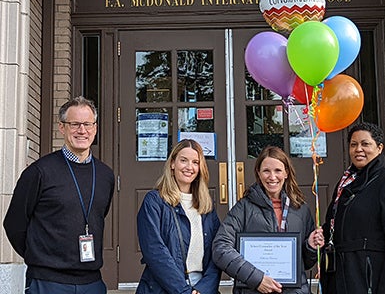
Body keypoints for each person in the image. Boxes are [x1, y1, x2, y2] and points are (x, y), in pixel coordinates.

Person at [3, 96, 115, 294]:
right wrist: (40, 256)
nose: (82, 130)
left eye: (87, 124)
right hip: (48, 282)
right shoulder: (39, 172)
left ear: (95, 128)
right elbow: (14, 223)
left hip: (92, 283)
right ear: (62, 128)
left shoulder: (105, 175)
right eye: (75, 124)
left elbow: (98, 216)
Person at [320, 122, 385, 294]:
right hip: (343, 278)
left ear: (379, 148)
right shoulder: (345, 184)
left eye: (365, 144)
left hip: (372, 281)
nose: (358, 149)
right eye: (353, 144)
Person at [212, 146, 324, 294]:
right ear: (258, 173)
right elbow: (221, 248)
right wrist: (256, 279)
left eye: (278, 170)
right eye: (266, 171)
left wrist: (311, 246)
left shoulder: (301, 209)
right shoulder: (244, 208)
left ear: (286, 173)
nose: (272, 177)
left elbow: (306, 263)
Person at [136, 139, 221, 294]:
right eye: (183, 160)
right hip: (165, 288)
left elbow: (217, 251)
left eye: (195, 162)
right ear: (172, 164)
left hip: (200, 288)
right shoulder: (154, 201)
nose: (190, 167)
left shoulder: (206, 205)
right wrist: (183, 291)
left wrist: (204, 289)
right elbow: (155, 251)